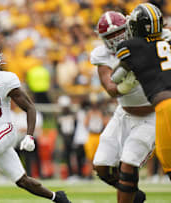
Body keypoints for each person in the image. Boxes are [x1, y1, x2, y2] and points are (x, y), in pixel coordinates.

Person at [0, 43, 71, 203]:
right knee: (22, 180)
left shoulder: (6, 80)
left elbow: (30, 107)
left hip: (4, 129)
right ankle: (58, 198)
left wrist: (29, 135)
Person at [91, 11, 157, 203]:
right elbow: (111, 89)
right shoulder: (101, 54)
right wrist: (126, 83)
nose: (115, 39)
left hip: (151, 115)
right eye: (109, 36)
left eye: (118, 33)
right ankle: (135, 195)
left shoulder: (145, 42)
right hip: (123, 113)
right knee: (101, 167)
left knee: (128, 162)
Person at [114, 3, 171, 181]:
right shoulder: (167, 40)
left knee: (167, 160)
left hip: (166, 105)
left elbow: (116, 78)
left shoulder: (131, 46)